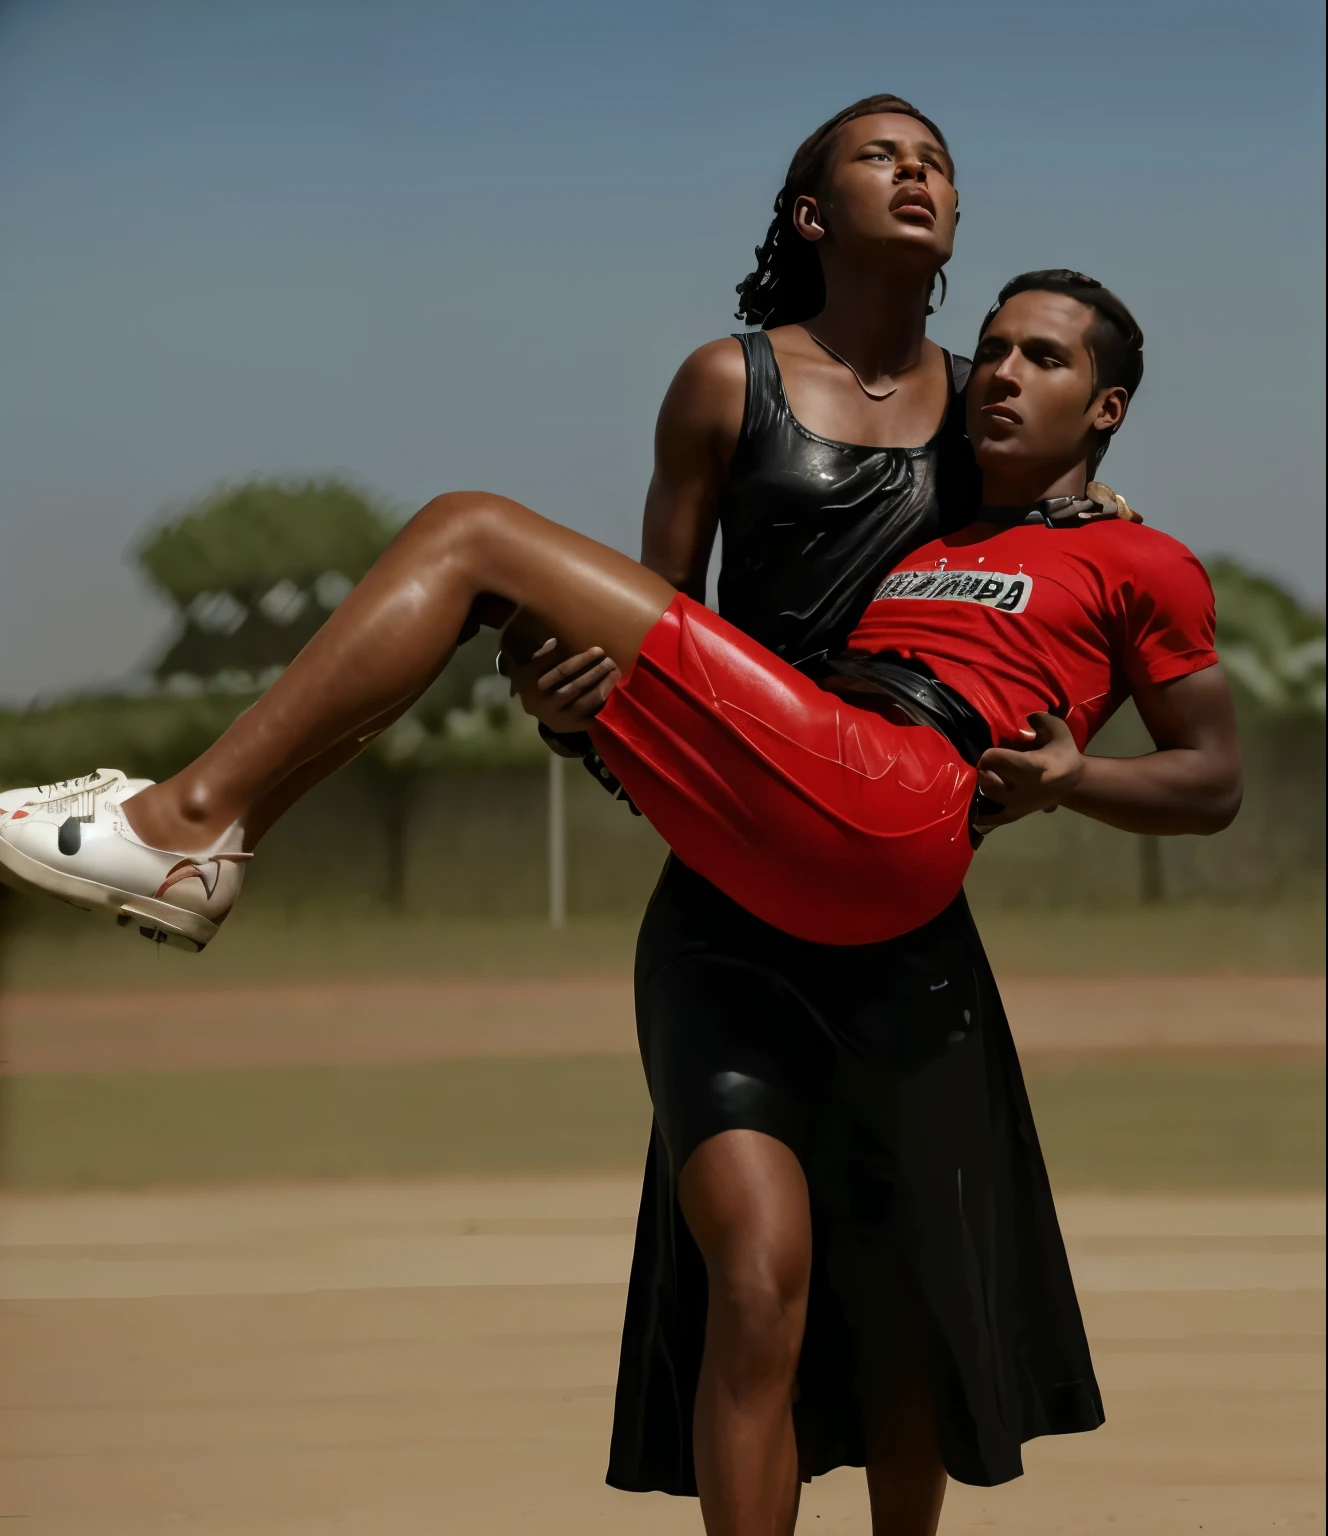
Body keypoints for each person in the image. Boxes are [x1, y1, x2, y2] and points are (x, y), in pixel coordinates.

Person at [0, 268, 1241, 1527]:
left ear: (1107, 407)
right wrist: (585, 717)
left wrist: (1075, 776)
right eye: (991, 351)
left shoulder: (1143, 562)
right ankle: (215, 839)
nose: (1001, 375)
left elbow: (1212, 781)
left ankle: (186, 825)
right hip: (806, 811)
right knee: (489, 586)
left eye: (1041, 358)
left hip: (900, 796)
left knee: (470, 528)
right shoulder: (930, 536)